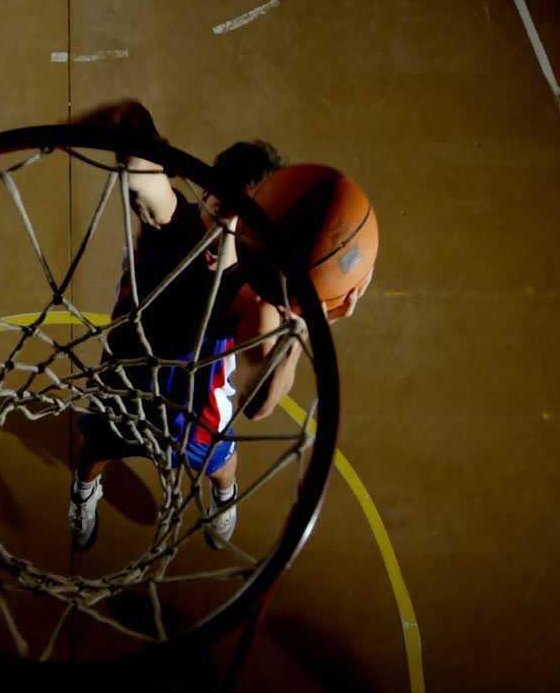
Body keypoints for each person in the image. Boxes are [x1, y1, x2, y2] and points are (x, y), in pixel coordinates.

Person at [66, 100, 373, 550]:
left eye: (242, 220)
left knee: (221, 464)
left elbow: (262, 402)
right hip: (127, 384)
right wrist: (132, 135)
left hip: (197, 407)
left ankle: (223, 495)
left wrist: (305, 322)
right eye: (217, 206)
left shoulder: (257, 292)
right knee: (94, 451)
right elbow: (146, 183)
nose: (225, 228)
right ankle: (85, 492)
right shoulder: (169, 223)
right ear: (203, 193)